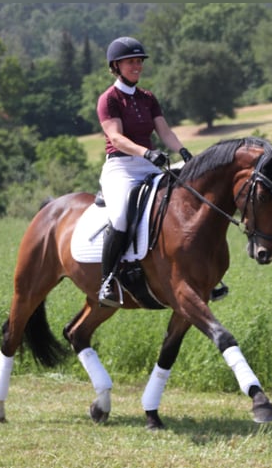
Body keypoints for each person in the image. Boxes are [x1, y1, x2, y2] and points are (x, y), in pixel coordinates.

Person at [96, 36, 228, 307]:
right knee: (120, 216)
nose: (137, 66)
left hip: (149, 164)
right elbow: (117, 137)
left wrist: (184, 153)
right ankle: (107, 280)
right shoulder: (109, 99)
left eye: (139, 61)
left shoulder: (147, 98)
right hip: (121, 167)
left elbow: (164, 131)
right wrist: (146, 152)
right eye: (130, 62)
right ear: (116, 66)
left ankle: (205, 273)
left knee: (191, 192)